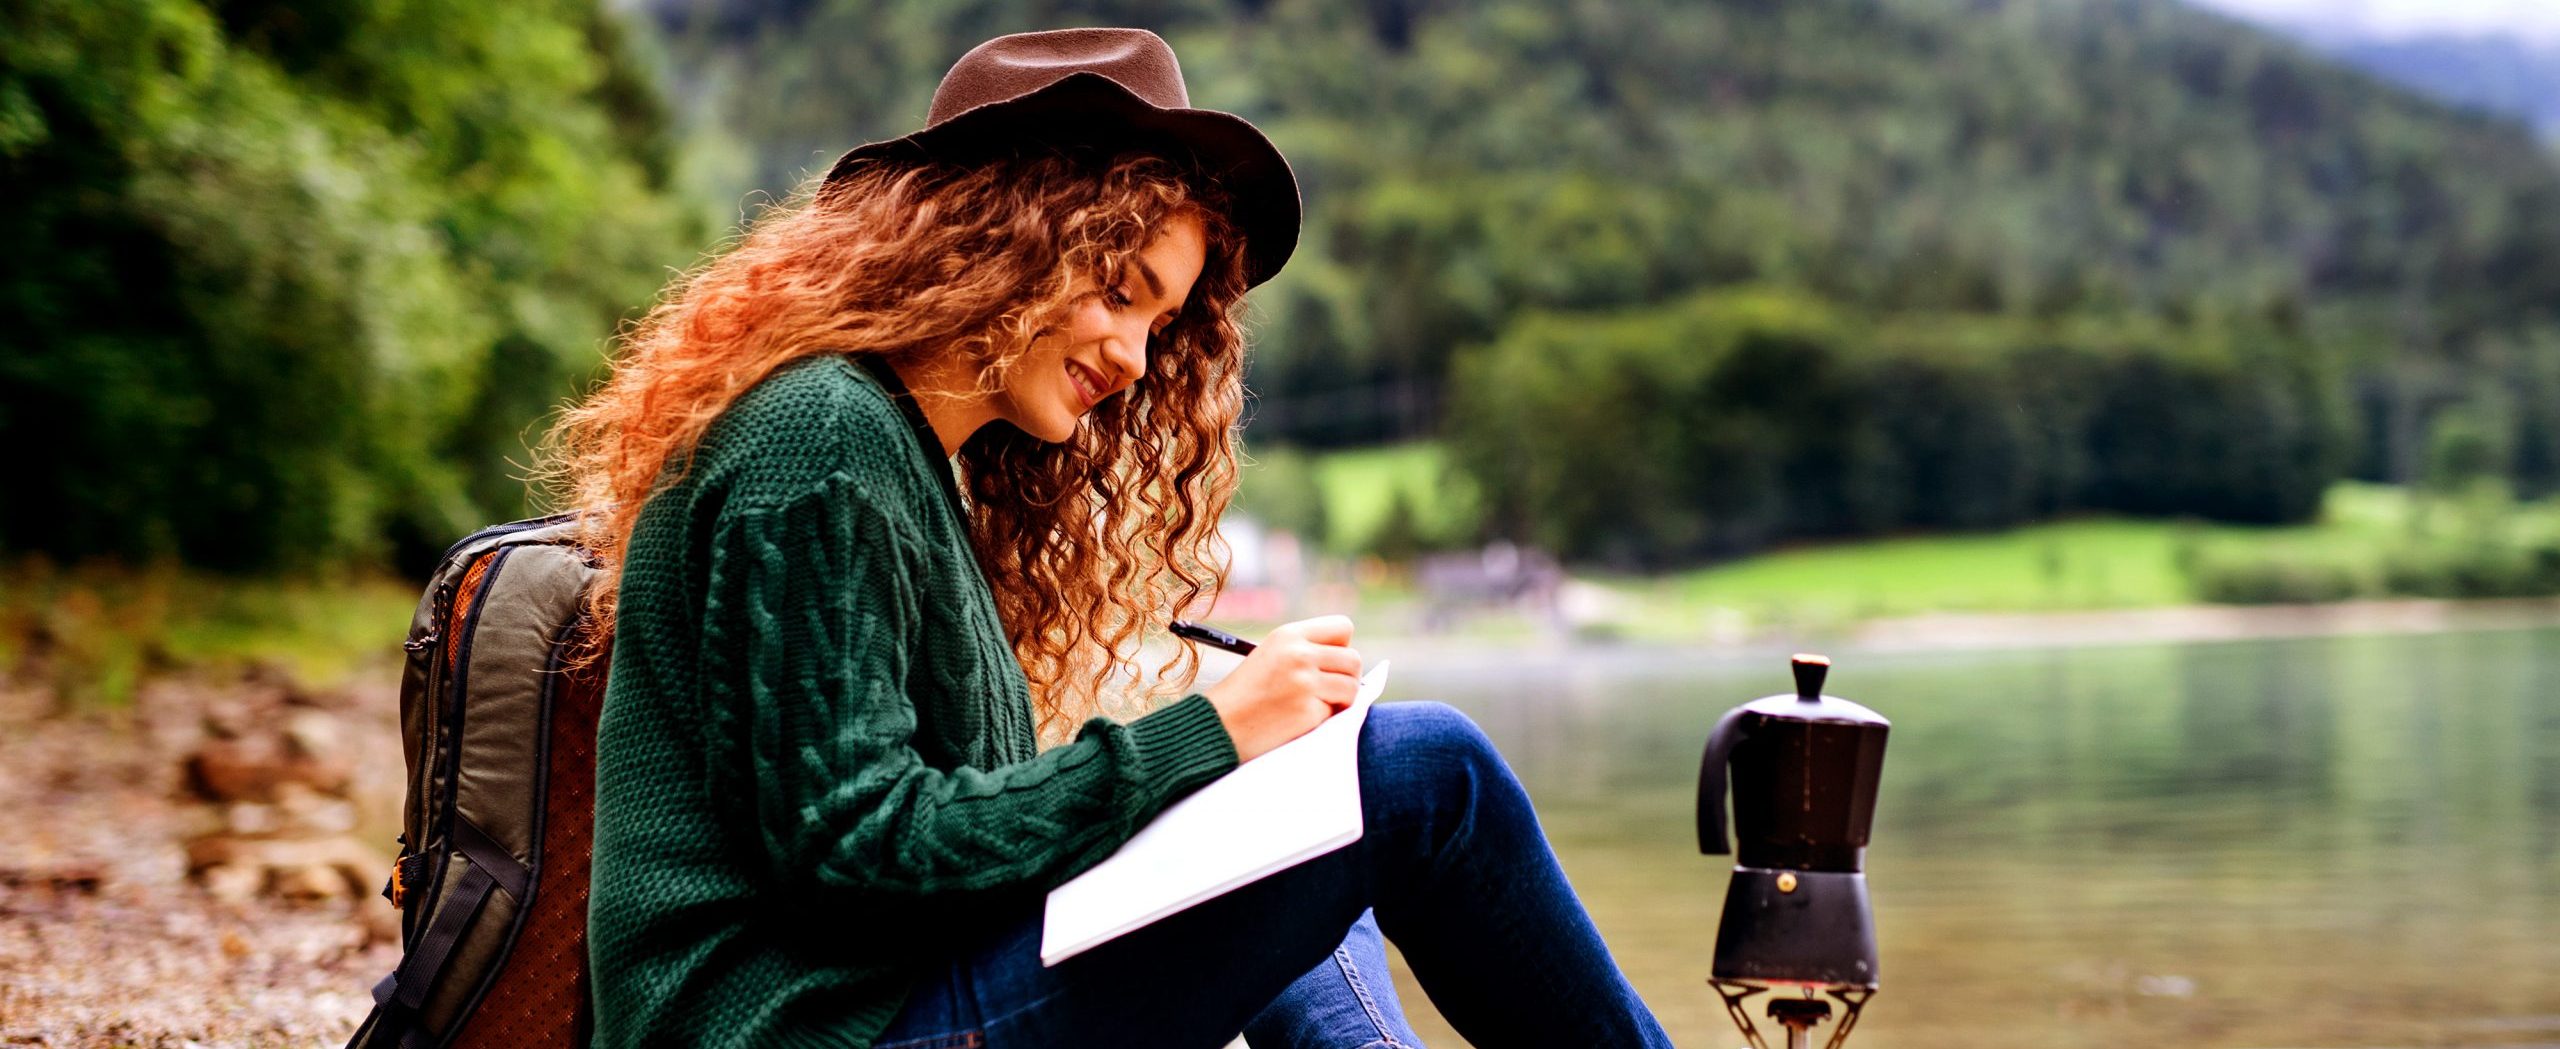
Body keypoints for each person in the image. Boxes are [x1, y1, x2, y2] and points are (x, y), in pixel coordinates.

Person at [546, 28, 1672, 1049]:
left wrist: (1227, 772)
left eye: (1161, 322)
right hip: (805, 1028)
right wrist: (1204, 735)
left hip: (878, 1000)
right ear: (1000, 235)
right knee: (1427, 769)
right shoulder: (822, 436)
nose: (1136, 356)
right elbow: (851, 852)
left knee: (1303, 816)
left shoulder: (914, 459)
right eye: (1122, 292)